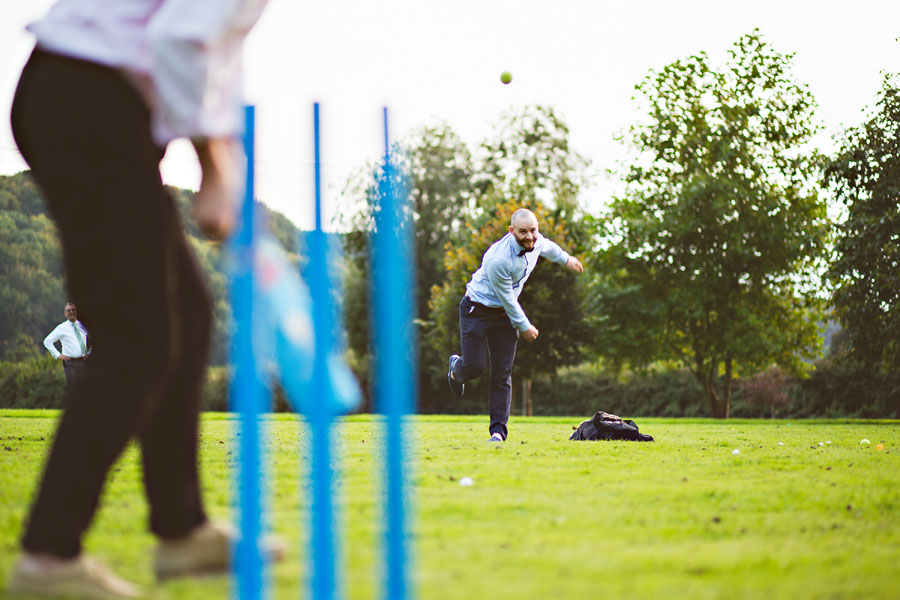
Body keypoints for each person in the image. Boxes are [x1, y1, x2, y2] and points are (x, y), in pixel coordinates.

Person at [7, 0, 273, 597]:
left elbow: (213, 48)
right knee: (138, 339)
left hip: (85, 99)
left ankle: (182, 530)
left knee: (189, 314)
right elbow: (185, 38)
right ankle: (48, 559)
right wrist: (213, 164)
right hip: (84, 99)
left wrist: (225, 156)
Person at [447, 208, 584, 442]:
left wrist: (566, 259)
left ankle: (498, 431)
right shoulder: (498, 259)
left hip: (503, 317)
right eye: (523, 232)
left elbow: (548, 247)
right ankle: (455, 369)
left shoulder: (536, 240)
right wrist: (524, 325)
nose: (530, 237)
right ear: (511, 231)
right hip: (476, 309)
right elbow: (507, 298)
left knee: (502, 373)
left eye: (533, 230)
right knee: (476, 367)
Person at [43, 302, 91, 388]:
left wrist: (89, 352)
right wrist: (58, 355)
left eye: (73, 310)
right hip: (70, 363)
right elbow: (47, 341)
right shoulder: (62, 328)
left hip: (84, 362)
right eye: (68, 311)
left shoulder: (83, 325)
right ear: (65, 313)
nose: (71, 312)